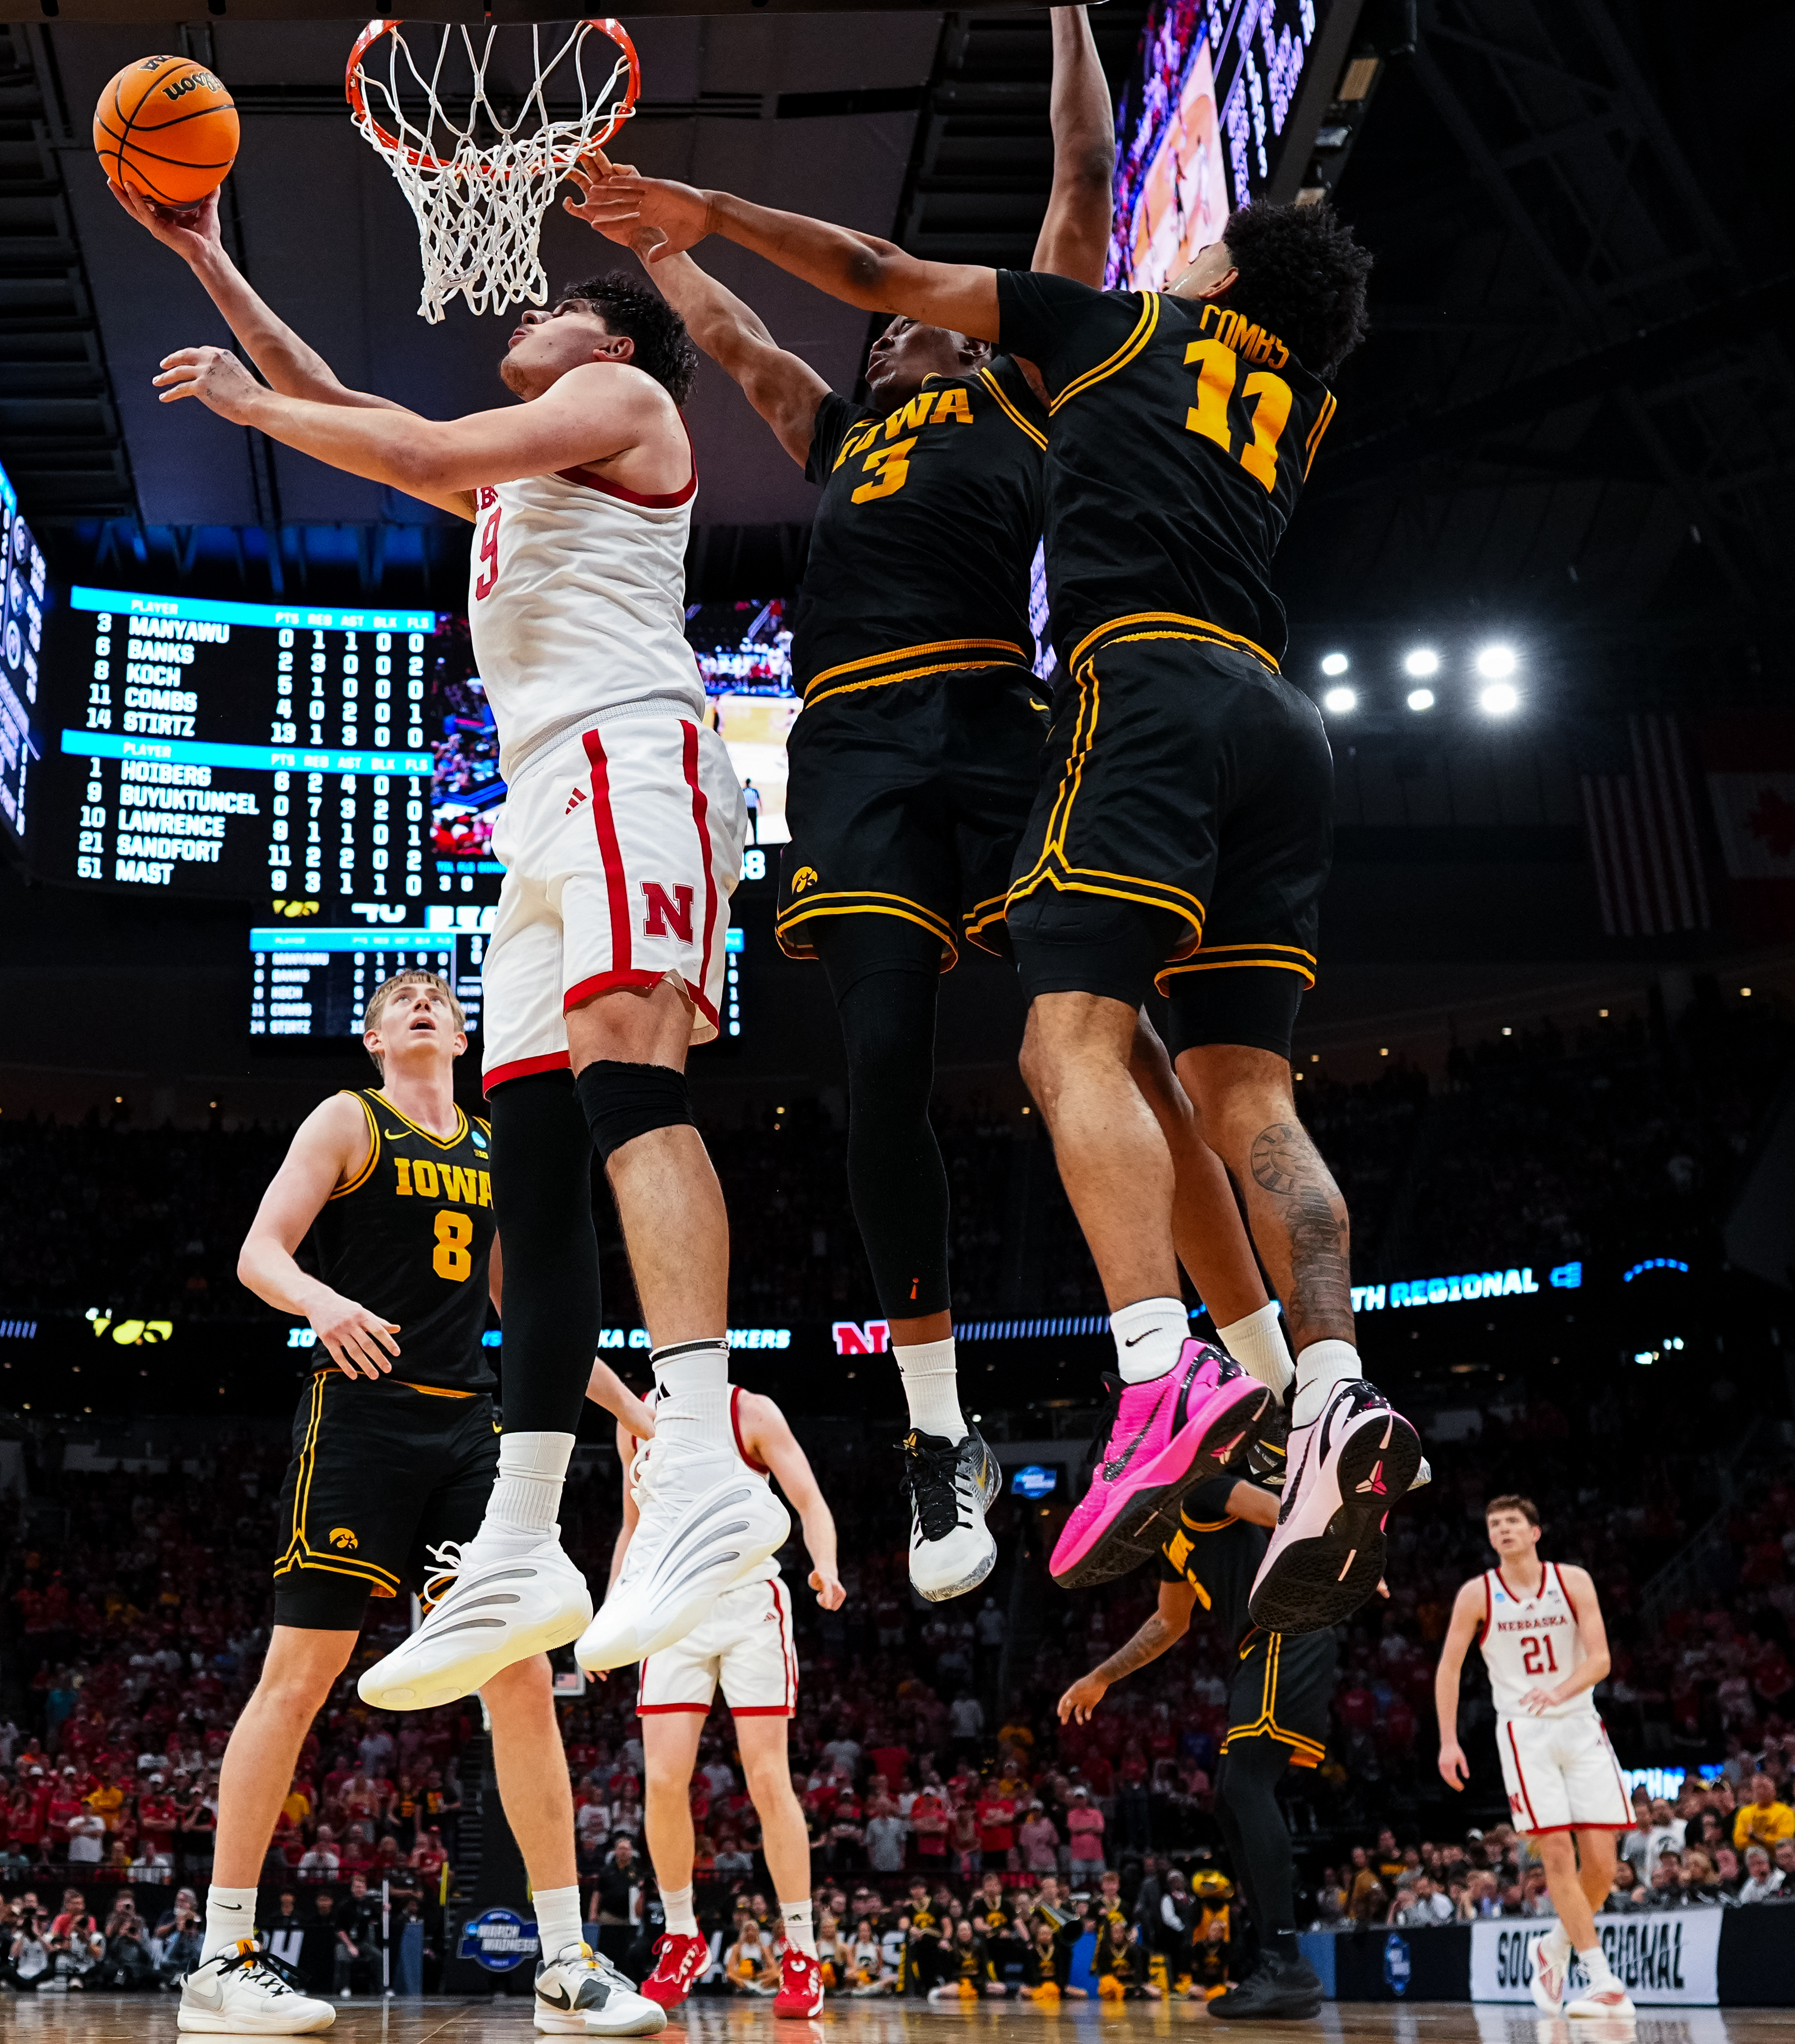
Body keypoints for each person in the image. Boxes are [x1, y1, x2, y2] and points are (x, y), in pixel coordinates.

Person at [569, 134, 1413, 1628]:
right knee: (1161, 1077)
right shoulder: (869, 432)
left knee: (1089, 1043)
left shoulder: (1055, 383)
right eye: (892, 333)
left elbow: (1068, 194)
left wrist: (714, 205)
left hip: (1050, 711)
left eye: (930, 324)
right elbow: (742, 338)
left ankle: (1195, 1371)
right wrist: (662, 246)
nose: (902, 328)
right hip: (1085, 729)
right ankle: (1280, 1388)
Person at [122, 177, 784, 1711]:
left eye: (545, 301)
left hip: (634, 761)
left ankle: (697, 1460)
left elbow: (389, 441)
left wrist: (240, 408)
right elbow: (347, 402)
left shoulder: (620, 391)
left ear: (609, 338)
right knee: (536, 1151)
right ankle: (524, 1535)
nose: (518, 312)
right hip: (548, 810)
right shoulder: (519, 496)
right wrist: (215, 256)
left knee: (630, 1094)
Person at [194, 966, 664, 2036]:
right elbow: (259, 1252)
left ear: (462, 1037)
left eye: (440, 1001)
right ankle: (222, 1955)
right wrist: (320, 1299)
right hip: (359, 1418)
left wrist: (639, 1415)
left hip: (468, 1432)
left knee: (521, 1679)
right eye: (399, 1002)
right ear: (372, 1040)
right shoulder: (346, 1120)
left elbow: (533, 1306)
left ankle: (563, 1958)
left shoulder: (499, 1143)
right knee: (300, 1676)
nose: (422, 1006)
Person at [1054, 1475, 1329, 2020]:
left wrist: (1350, 1564)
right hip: (1260, 1648)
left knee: (1246, 1785)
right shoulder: (1168, 1535)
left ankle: (1286, 1962)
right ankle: (1276, 1959)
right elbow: (1168, 1621)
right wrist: (1102, 1676)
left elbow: (1292, 1516)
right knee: (1230, 1799)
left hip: (1283, 1629)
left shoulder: (1201, 1487)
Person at [623, 1381, 844, 2021]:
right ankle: (683, 1935)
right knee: (662, 1781)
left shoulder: (750, 1409)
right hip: (670, 1609)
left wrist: (825, 1564)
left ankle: (801, 1951)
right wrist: (615, 1613)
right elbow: (633, 1527)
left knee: (769, 1780)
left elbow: (810, 1501)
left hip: (752, 1606)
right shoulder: (637, 1415)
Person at [1431, 1495, 1630, 2020]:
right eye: (1494, 1524)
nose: (1502, 1529)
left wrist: (1561, 1690)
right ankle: (1600, 1977)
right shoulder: (1478, 1592)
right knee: (1559, 1856)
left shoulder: (1573, 1580)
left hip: (1580, 1722)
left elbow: (1602, 1659)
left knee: (1604, 1866)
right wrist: (1449, 1740)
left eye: (1512, 1522)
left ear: (1536, 1531)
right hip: (1524, 1733)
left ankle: (1555, 1945)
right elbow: (1449, 1667)